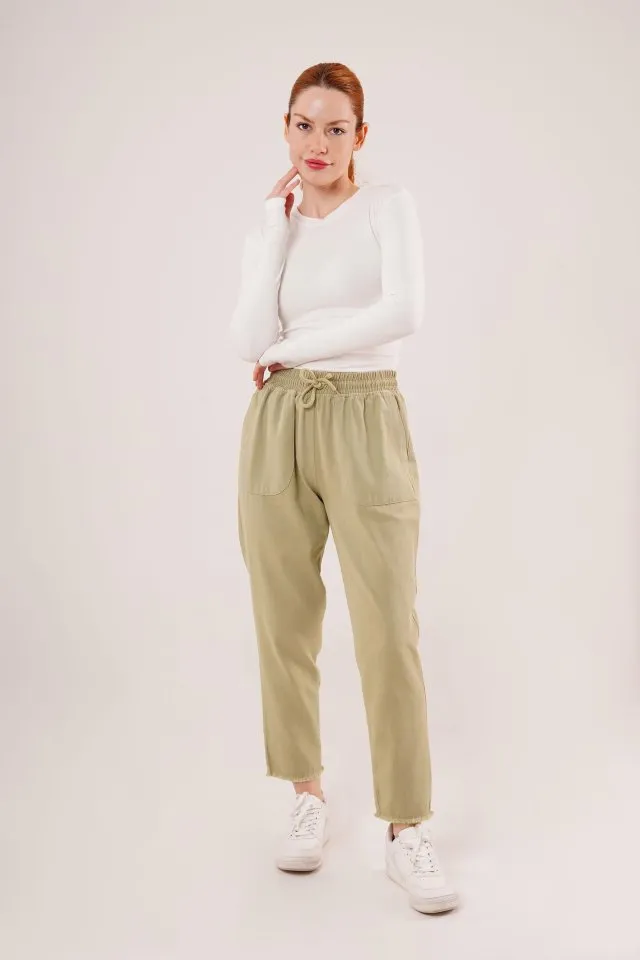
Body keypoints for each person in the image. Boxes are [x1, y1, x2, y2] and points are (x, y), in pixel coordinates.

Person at [230, 62, 459, 915]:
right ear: (285, 128)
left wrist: (293, 349)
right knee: (283, 620)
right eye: (303, 125)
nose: (317, 143)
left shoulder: (388, 206)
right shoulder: (275, 229)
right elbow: (247, 337)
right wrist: (271, 229)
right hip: (278, 423)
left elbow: (405, 314)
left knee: (387, 628)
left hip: (365, 417)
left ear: (361, 136)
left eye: (335, 128)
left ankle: (406, 829)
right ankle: (307, 796)